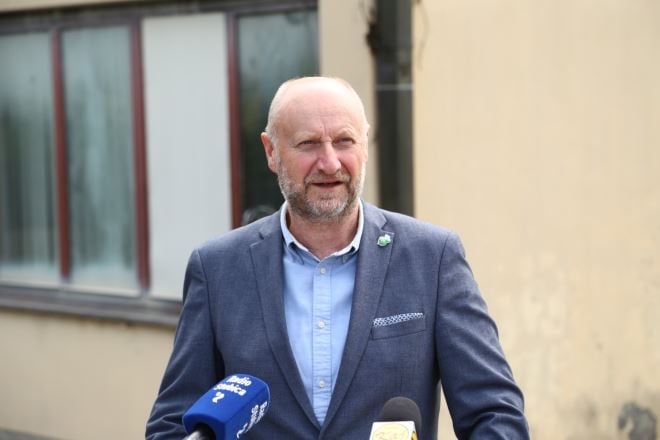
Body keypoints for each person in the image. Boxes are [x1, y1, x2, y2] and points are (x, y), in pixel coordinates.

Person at [146, 77, 528, 439]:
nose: (329, 163)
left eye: (344, 141)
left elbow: (495, 415)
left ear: (365, 145)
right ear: (271, 152)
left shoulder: (433, 258)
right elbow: (173, 425)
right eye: (308, 143)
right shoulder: (217, 269)